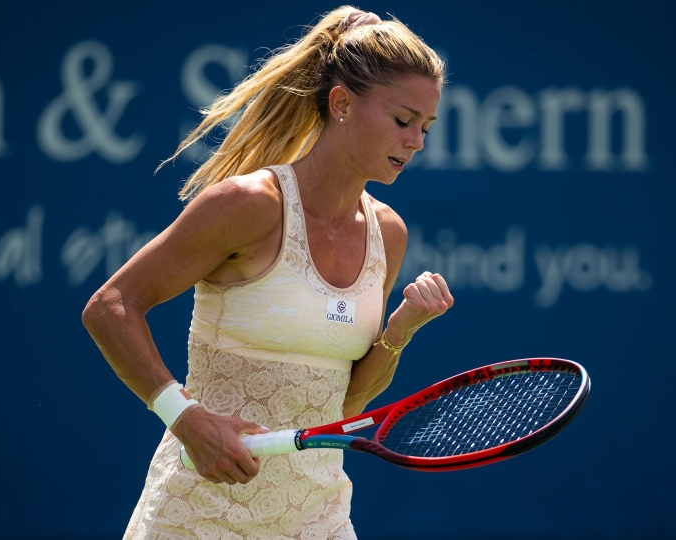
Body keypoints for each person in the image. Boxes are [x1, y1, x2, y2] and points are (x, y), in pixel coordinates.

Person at [82, 6, 453, 539]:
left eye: (426, 126)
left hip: (319, 516)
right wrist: (185, 418)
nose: (416, 140)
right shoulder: (249, 204)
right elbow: (111, 306)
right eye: (402, 120)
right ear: (342, 104)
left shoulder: (388, 233)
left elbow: (347, 403)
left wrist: (400, 330)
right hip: (199, 514)